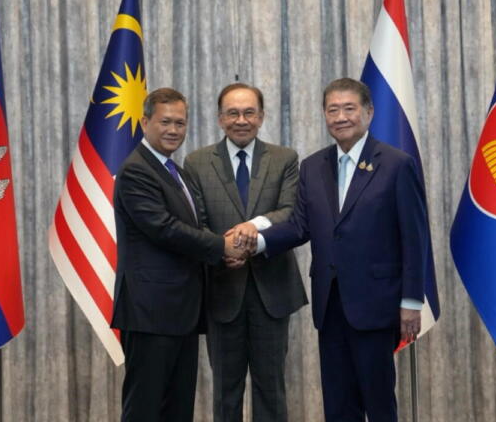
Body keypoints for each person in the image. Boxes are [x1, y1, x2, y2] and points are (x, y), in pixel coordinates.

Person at [253, 78, 427, 422]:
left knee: (378, 401)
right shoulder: (312, 166)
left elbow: (414, 236)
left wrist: (411, 301)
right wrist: (255, 241)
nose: (341, 117)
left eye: (349, 108)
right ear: (324, 114)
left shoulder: (397, 164)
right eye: (333, 109)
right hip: (330, 304)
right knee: (338, 403)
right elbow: (299, 226)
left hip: (376, 303)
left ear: (369, 112)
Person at [110, 88, 246, 422]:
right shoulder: (136, 170)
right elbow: (164, 228)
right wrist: (221, 247)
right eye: (165, 122)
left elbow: (192, 228)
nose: (174, 130)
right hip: (151, 311)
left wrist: (221, 252)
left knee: (178, 407)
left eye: (180, 123)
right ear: (145, 122)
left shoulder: (176, 171)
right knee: (145, 407)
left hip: (181, 310)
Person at [183, 83, 307, 422]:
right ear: (220, 118)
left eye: (249, 112)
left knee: (271, 390)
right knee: (226, 391)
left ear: (262, 116)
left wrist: (251, 229)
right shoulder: (196, 163)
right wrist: (223, 250)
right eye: (233, 113)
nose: (242, 120)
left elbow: (291, 212)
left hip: (273, 291)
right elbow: (196, 222)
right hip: (222, 289)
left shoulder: (285, 159)